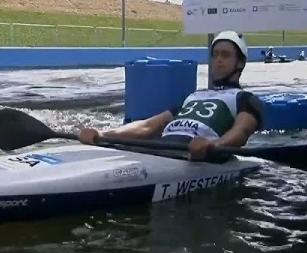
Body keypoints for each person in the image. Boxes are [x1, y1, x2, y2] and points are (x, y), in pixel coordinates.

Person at [78, 30, 263, 162]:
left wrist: (214, 145)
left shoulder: (245, 99)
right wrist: (102, 134)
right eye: (215, 55)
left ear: (240, 63)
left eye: (225, 55)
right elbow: (148, 125)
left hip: (197, 154)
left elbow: (241, 132)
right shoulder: (194, 96)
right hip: (163, 147)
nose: (218, 60)